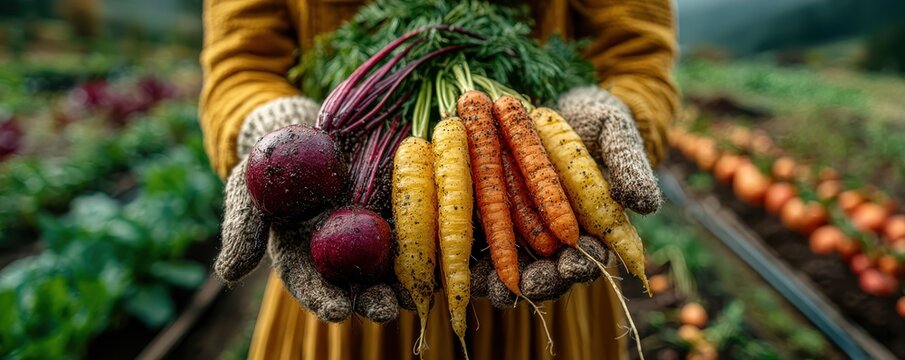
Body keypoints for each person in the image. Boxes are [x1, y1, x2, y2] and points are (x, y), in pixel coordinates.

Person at [199, 0, 678, 359]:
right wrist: (273, 130)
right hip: (352, 267)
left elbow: (636, 55)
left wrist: (612, 113)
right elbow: (241, 63)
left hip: (547, 245)